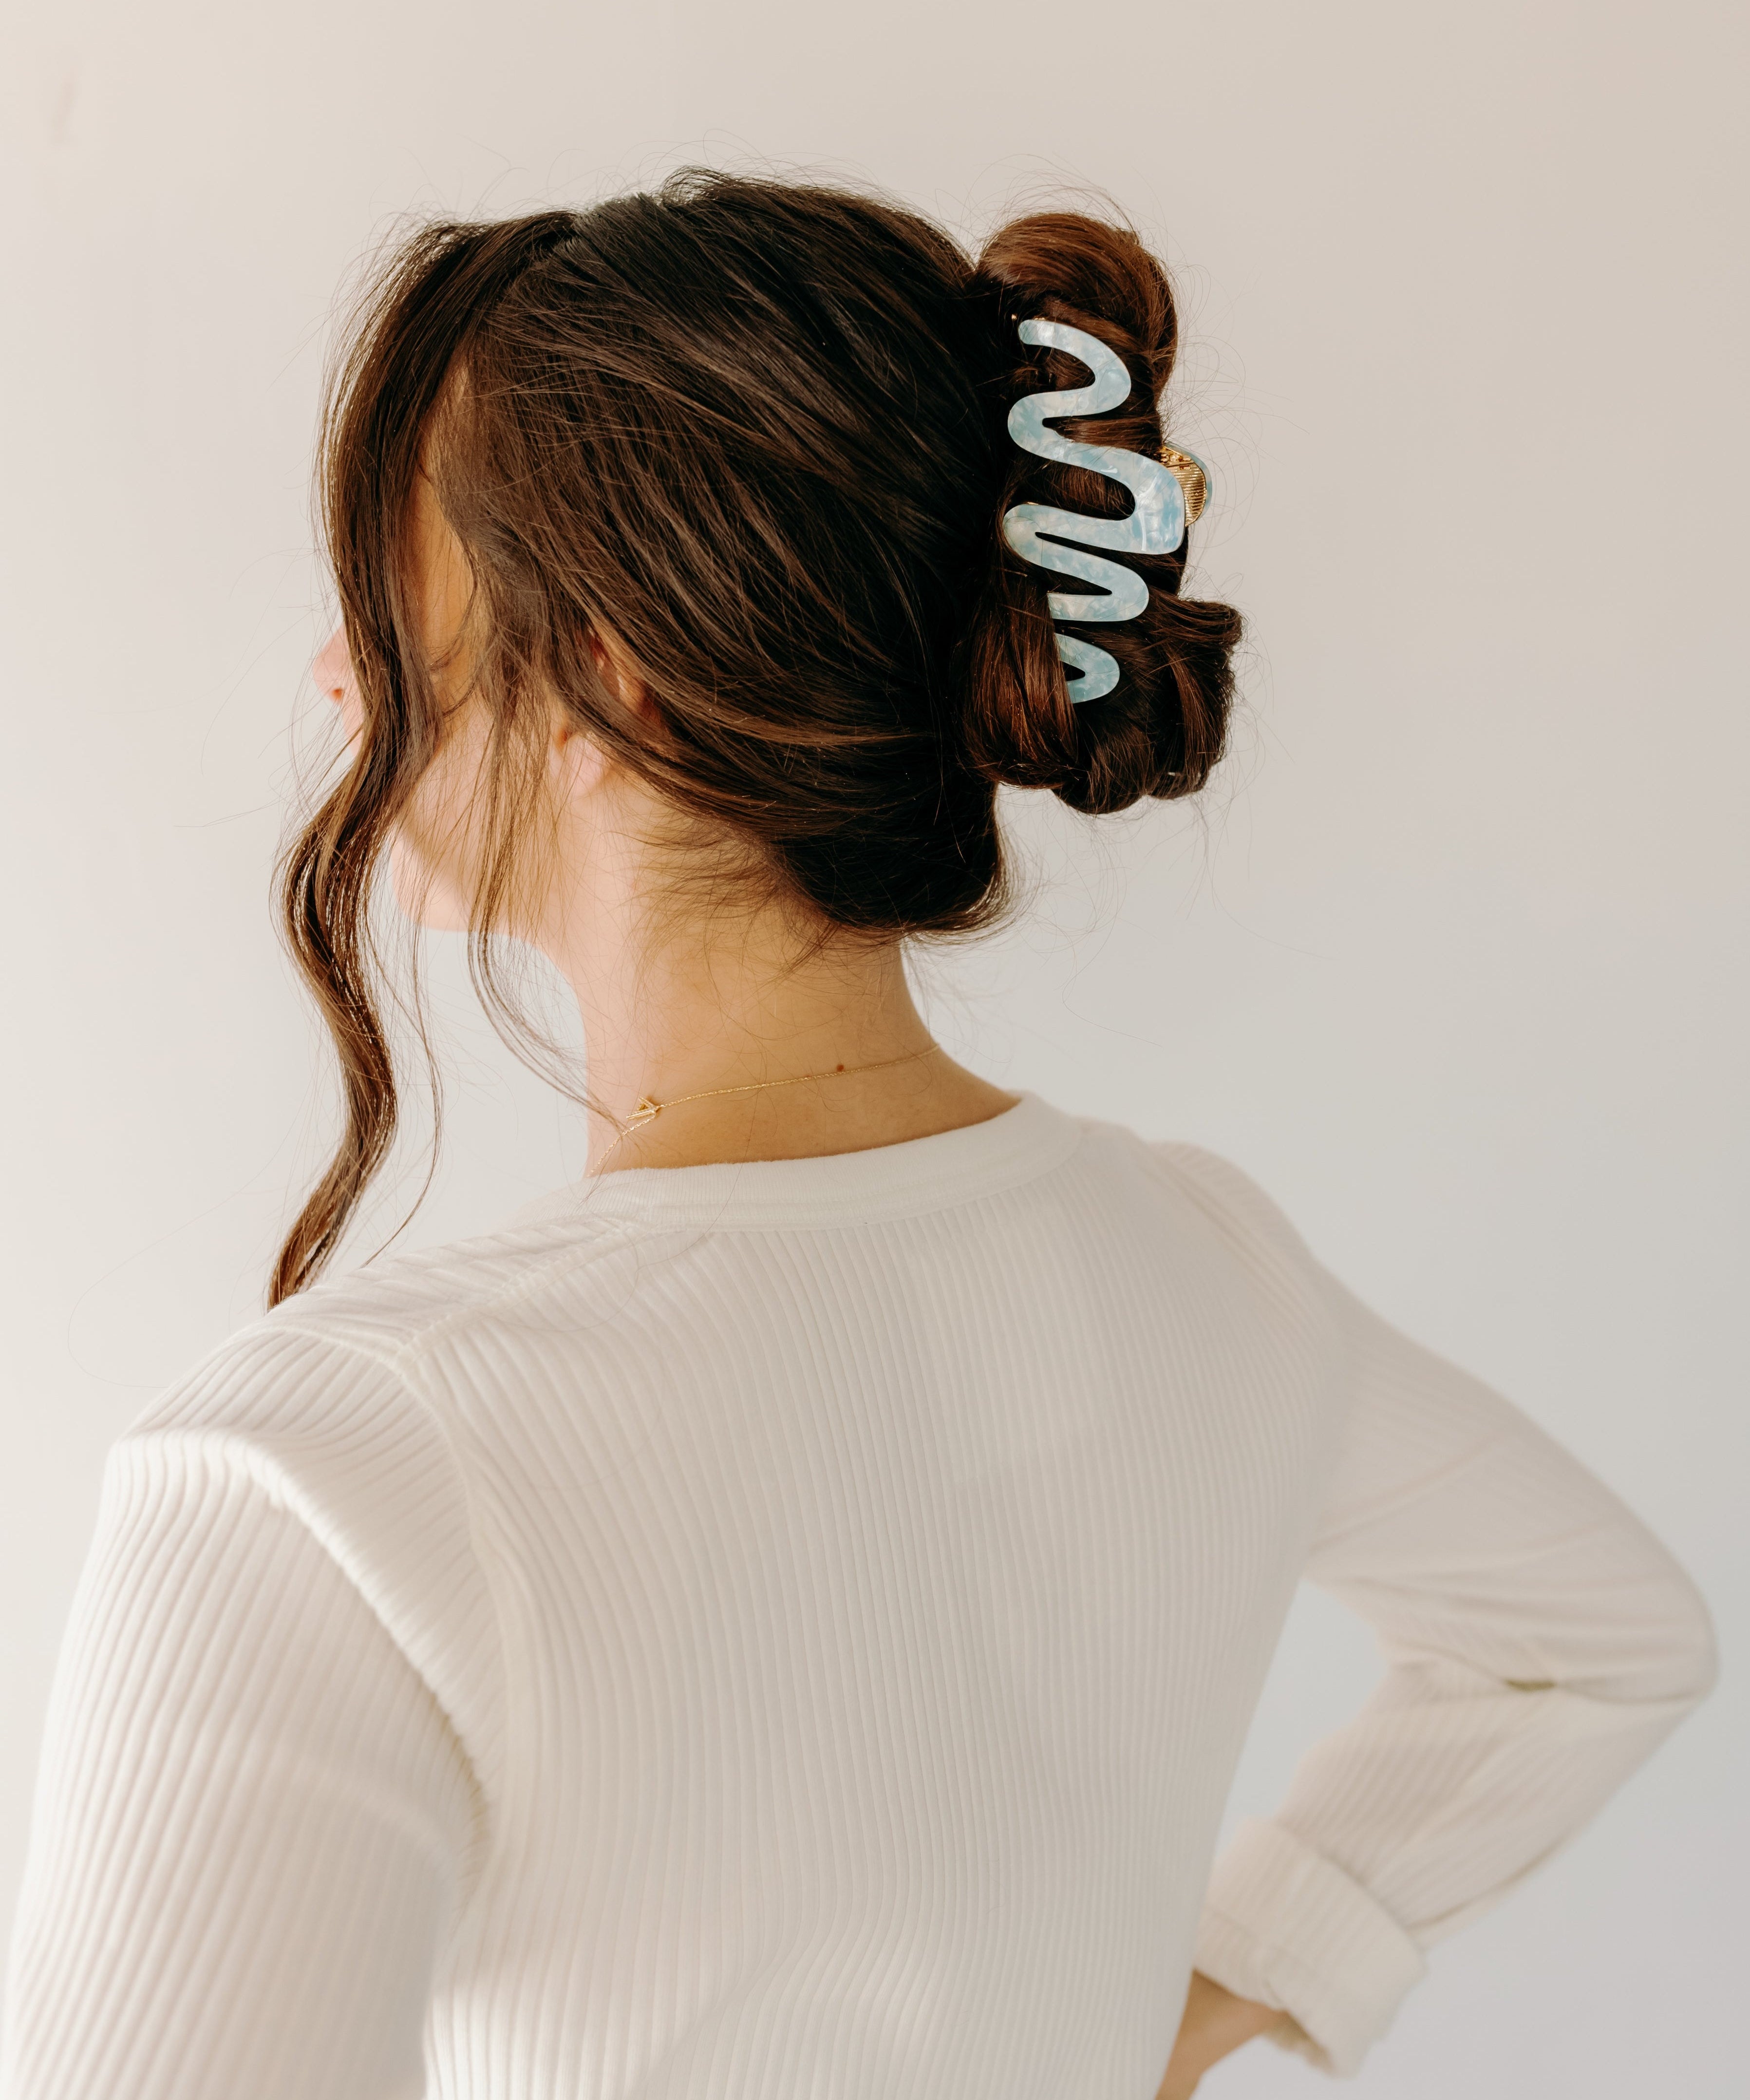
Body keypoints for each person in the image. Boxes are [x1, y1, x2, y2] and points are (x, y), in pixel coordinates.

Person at [0, 172, 1715, 2100]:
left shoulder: (318, 1473)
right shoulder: (1201, 1263)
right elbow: (1595, 1642)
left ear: (617, 684)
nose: (338, 670)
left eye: (389, 589)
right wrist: (1206, 2003)